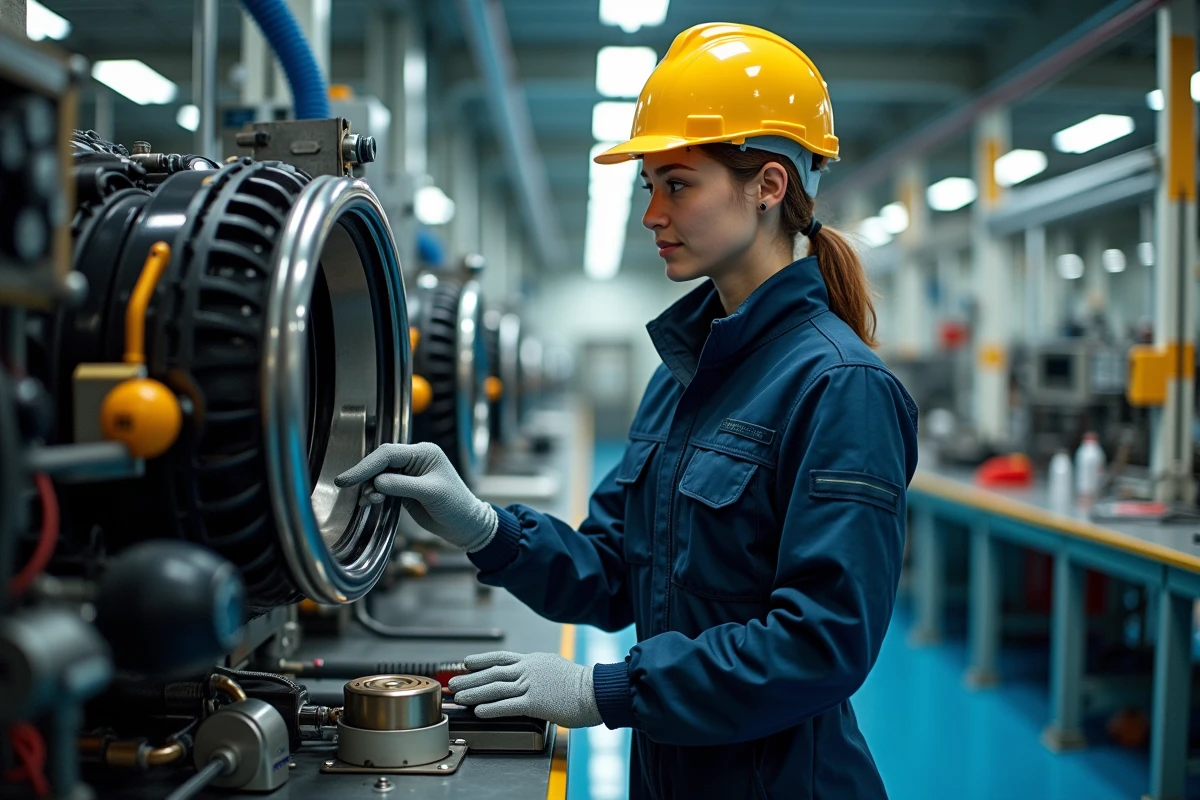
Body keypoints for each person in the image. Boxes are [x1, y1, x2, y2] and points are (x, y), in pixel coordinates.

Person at [336, 22, 918, 799]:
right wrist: (483, 525)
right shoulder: (683, 373)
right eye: (650, 186)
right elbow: (616, 572)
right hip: (671, 769)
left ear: (769, 186)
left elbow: (822, 644)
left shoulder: (841, 385)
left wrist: (604, 692)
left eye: (678, 184)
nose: (653, 214)